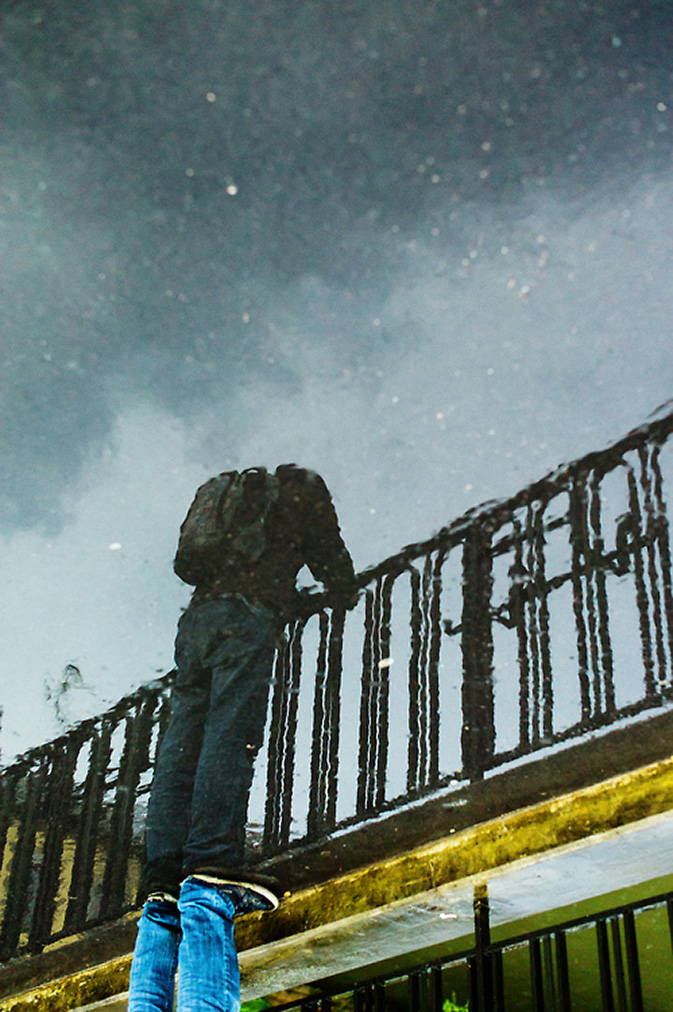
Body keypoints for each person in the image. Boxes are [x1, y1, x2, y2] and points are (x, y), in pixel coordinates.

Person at [128, 464, 357, 1012]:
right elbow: (336, 568)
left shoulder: (237, 492)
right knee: (231, 739)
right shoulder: (303, 489)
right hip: (248, 616)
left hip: (197, 623)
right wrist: (335, 594)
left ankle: (163, 879)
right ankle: (209, 867)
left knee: (179, 750)